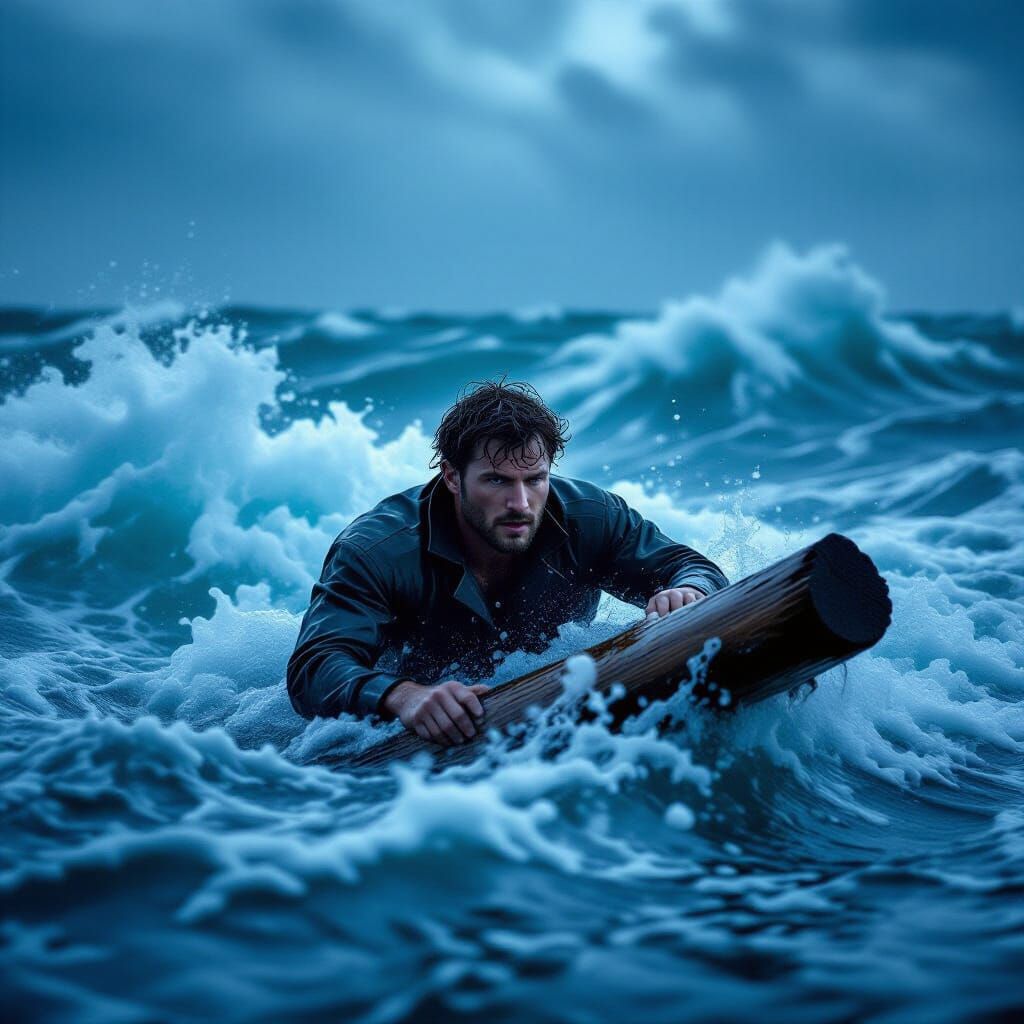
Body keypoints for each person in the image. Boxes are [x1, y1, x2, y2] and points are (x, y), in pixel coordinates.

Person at [287, 381, 728, 746]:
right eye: (496, 480)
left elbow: (691, 567)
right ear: (453, 477)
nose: (520, 503)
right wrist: (402, 696)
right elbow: (314, 667)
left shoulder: (591, 519)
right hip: (413, 729)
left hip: (553, 707)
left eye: (534, 479)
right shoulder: (378, 550)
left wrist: (689, 591)